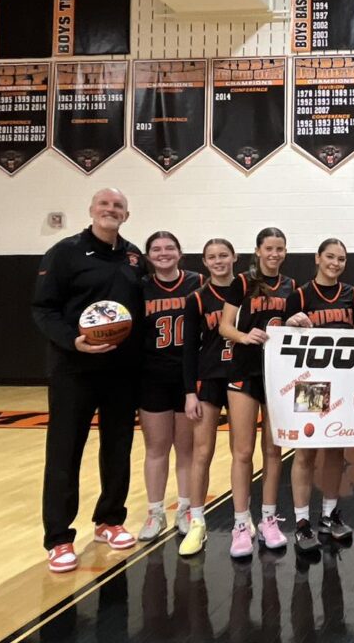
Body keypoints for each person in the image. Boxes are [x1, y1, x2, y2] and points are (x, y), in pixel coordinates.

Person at [32, 188, 144, 572]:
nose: (110, 210)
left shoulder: (133, 256)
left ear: (126, 216)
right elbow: (43, 309)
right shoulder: (65, 252)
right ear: (92, 211)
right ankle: (59, 538)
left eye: (118, 207)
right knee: (64, 452)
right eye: (104, 205)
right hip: (73, 369)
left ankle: (110, 520)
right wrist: (73, 342)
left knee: (118, 449)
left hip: (120, 372)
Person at [219, 227, 296, 558]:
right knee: (242, 451)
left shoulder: (292, 286)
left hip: (277, 374)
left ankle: (268, 519)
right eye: (269, 248)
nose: (274, 253)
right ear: (258, 250)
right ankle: (240, 523)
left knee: (274, 450)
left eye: (280, 248)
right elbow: (224, 325)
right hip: (244, 371)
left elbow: (293, 323)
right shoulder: (242, 282)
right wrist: (242, 336)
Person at [284, 238, 354, 552]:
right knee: (305, 452)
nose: (336, 263)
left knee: (335, 452)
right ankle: (302, 521)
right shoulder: (300, 294)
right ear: (317, 258)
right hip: (311, 383)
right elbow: (284, 338)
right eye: (330, 257)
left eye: (341, 258)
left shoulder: (352, 294)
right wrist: (289, 323)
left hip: (342, 380)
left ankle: (328, 515)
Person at [138, 231, 201, 540]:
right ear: (148, 255)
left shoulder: (197, 282)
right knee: (156, 448)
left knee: (186, 448)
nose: (163, 253)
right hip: (152, 376)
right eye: (156, 249)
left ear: (180, 252)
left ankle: (186, 507)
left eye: (169, 248)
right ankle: (155, 512)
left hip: (188, 376)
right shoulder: (140, 288)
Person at [178, 238, 237, 557]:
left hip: (241, 378)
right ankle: (197, 519)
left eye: (223, 255)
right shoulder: (197, 298)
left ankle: (243, 518)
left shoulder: (246, 293)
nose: (218, 261)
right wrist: (189, 392)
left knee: (240, 453)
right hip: (209, 379)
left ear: (234, 257)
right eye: (212, 257)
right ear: (204, 262)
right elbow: (187, 350)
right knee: (202, 451)